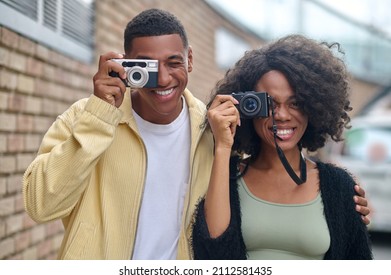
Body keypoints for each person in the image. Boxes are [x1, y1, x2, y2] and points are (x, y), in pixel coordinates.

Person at [23, 9, 369, 260]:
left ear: (190, 59)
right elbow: (41, 206)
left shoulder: (215, 131)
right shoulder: (86, 120)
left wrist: (342, 208)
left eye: (173, 62)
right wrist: (100, 114)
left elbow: (266, 188)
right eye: (147, 65)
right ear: (126, 63)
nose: (163, 78)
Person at [191, 34, 373, 260]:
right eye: (269, 103)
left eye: (295, 103)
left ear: (313, 107)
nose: (282, 115)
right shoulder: (225, 176)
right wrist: (222, 146)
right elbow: (212, 254)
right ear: (246, 105)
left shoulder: (339, 186)